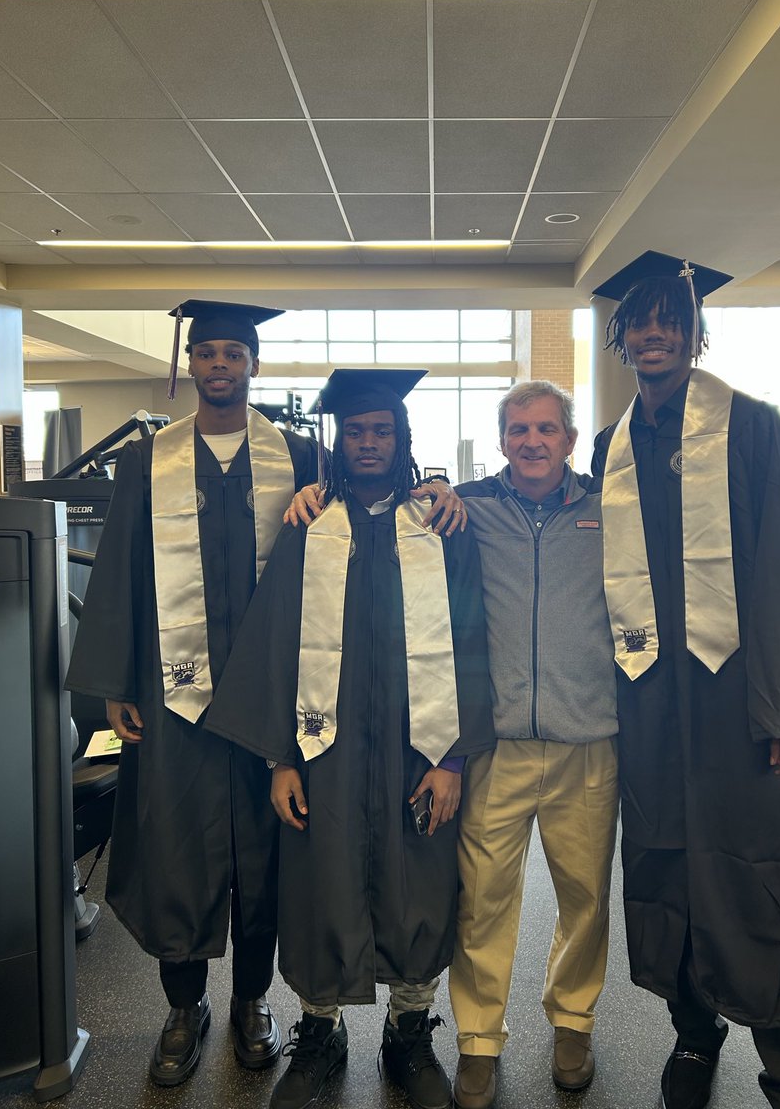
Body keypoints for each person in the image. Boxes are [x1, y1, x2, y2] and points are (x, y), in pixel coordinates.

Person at [591, 251, 780, 1109]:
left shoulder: (752, 428)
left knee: (769, 868)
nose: (655, 331)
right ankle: (694, 1027)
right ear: (622, 335)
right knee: (669, 863)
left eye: (671, 317)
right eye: (640, 318)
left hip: (743, 703)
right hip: (649, 708)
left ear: (695, 330)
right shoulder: (611, 447)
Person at [206, 369, 495, 1109]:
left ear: (402, 440)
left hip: (415, 749)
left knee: (420, 880)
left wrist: (453, 757)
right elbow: (273, 645)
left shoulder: (439, 528)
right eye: (357, 432)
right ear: (341, 440)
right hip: (323, 752)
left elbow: (469, 643)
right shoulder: (308, 528)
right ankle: (321, 1032)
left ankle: (408, 1032)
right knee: (321, 881)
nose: (369, 443)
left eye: (382, 431)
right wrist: (279, 760)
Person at [65, 301, 315, 1086]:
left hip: (266, 699)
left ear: (252, 365)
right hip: (172, 699)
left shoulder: (300, 453)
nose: (218, 365)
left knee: (266, 856)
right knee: (178, 850)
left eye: (232, 353)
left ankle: (250, 1000)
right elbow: (120, 572)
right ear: (192, 365)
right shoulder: (148, 459)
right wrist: (111, 685)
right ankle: (183, 1006)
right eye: (205, 352)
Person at [448, 382, 618, 1109]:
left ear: (571, 441)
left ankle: (573, 1019)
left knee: (586, 896)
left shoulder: (609, 510)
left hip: (588, 741)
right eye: (519, 430)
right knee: (484, 901)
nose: (533, 441)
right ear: (502, 439)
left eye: (547, 429)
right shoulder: (467, 508)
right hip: (498, 746)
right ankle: (479, 1041)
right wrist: (427, 484)